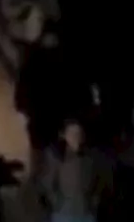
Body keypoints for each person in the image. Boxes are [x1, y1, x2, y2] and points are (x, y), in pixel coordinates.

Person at [15, 31, 97, 161]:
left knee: (44, 151)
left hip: (52, 117)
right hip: (44, 117)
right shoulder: (38, 60)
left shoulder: (59, 62)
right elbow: (25, 83)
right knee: (40, 151)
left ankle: (44, 167)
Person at [37, 119, 106, 222]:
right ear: (63, 135)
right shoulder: (55, 156)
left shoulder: (90, 157)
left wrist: (94, 200)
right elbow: (46, 184)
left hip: (86, 214)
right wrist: (57, 203)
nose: (75, 137)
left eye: (78, 133)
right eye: (71, 133)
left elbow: (99, 180)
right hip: (63, 216)